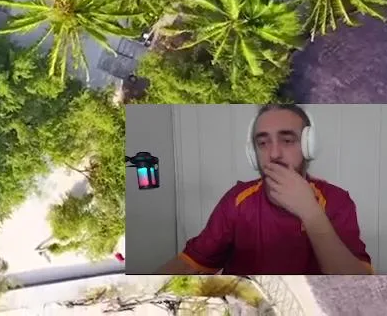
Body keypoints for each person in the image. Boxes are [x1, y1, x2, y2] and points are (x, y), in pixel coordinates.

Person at [156, 104, 374, 276]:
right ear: (253, 153)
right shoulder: (237, 201)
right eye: (262, 143)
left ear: (309, 146)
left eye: (287, 140)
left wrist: (310, 213)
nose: (274, 154)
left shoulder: (336, 201)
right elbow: (190, 264)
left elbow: (357, 285)